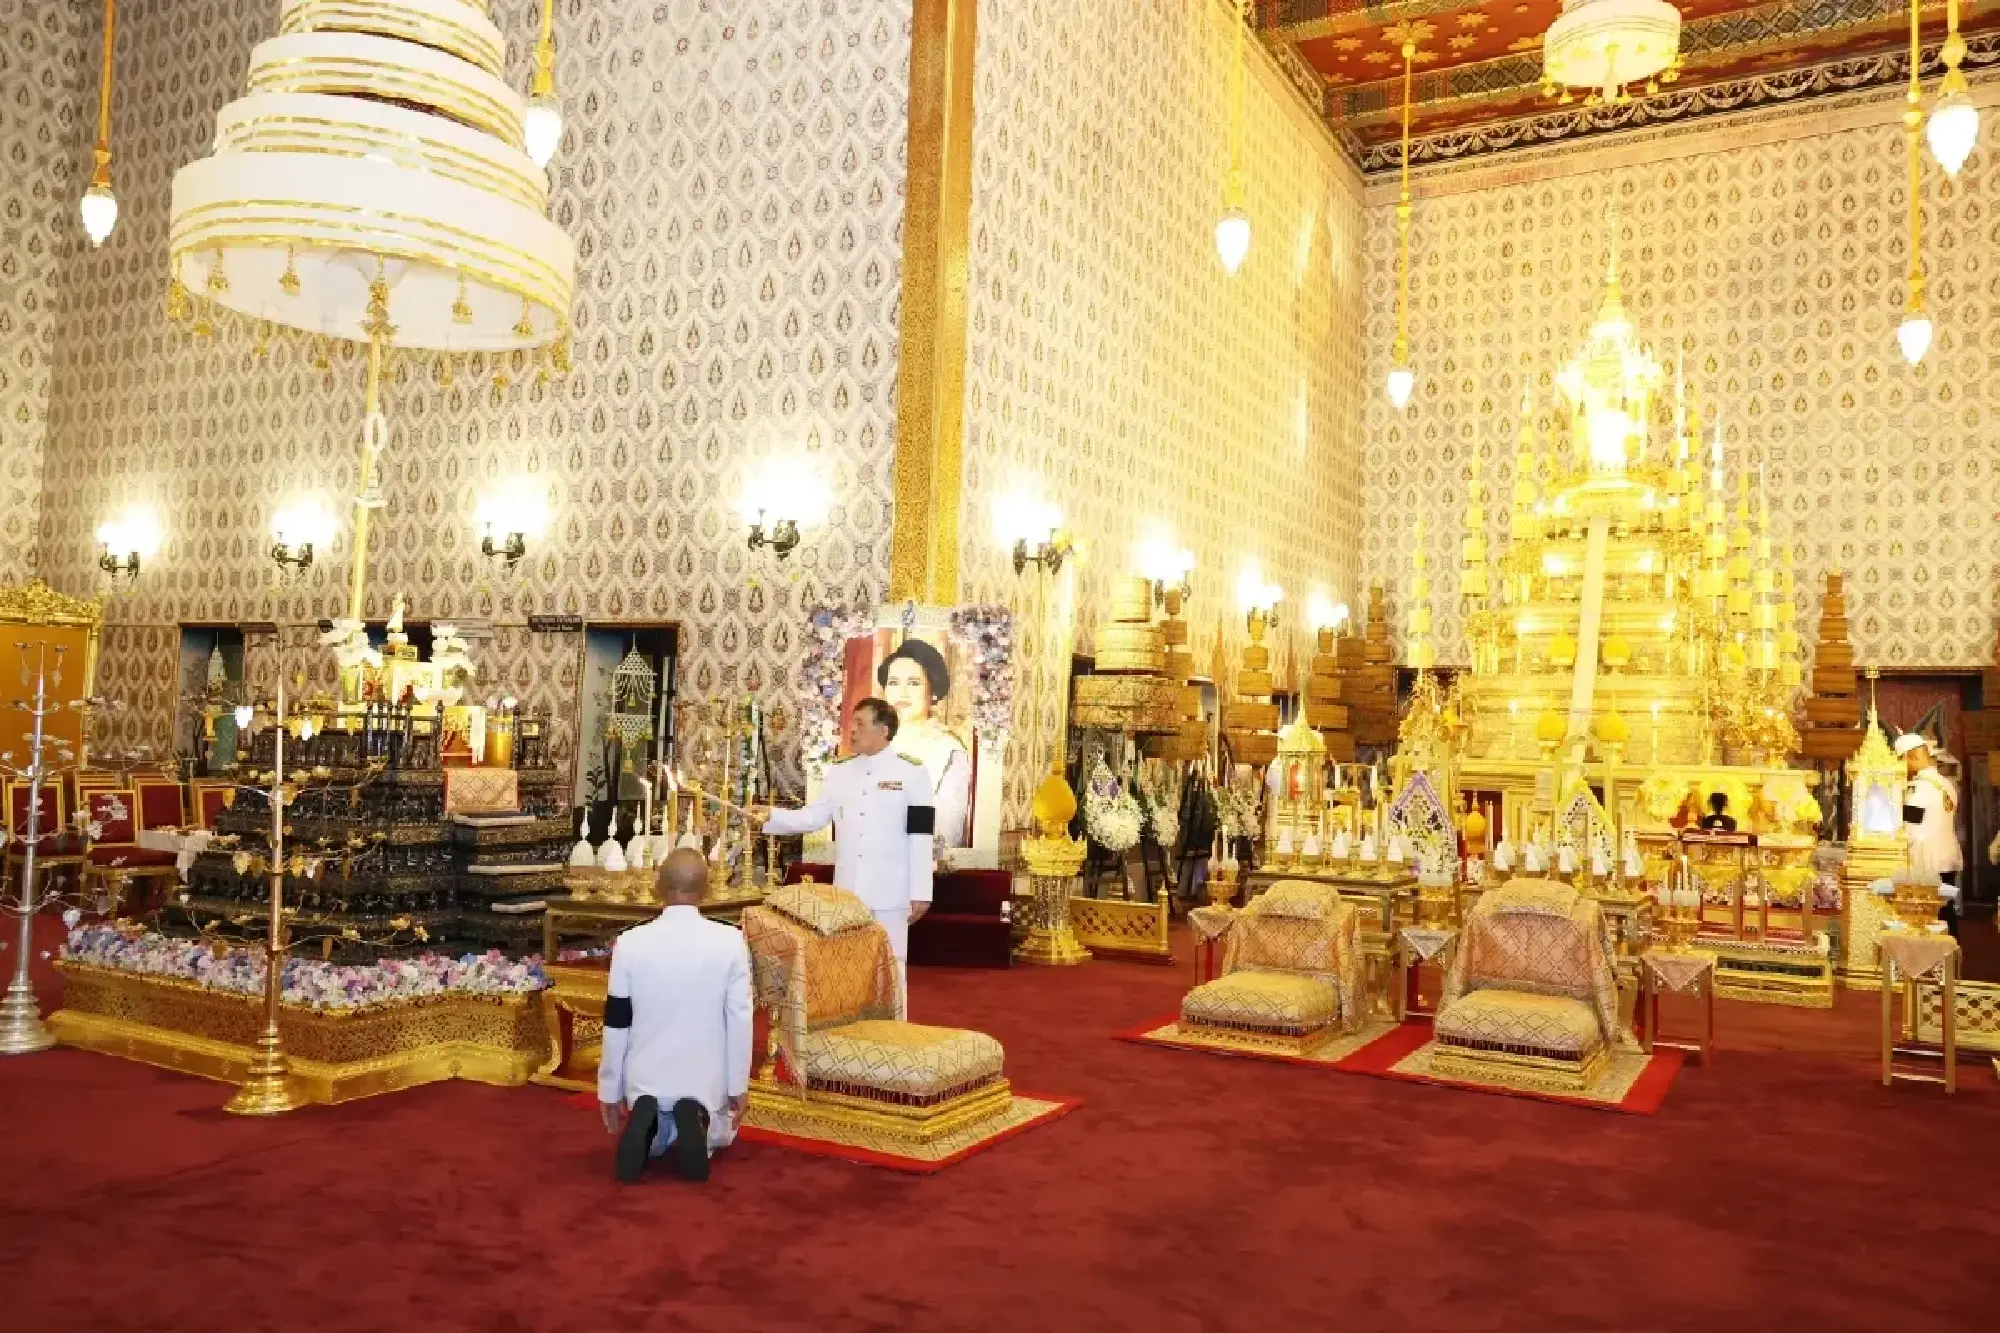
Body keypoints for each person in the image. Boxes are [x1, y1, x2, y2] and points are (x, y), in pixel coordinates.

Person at [755, 697, 934, 1011]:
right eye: (852, 724)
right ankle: (851, 1032)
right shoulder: (840, 772)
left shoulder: (912, 773)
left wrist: (921, 890)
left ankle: (895, 1037)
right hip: (848, 892)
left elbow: (921, 835)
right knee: (848, 965)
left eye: (861, 724)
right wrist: (769, 816)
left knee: (893, 965)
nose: (852, 731)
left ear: (884, 729)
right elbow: (814, 817)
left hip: (892, 892)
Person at [598, 848, 753, 1184]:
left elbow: (616, 1021)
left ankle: (653, 1121)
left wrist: (609, 1090)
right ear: (707, 889)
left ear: (658, 887)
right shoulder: (730, 942)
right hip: (705, 1079)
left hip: (642, 1078)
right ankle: (696, 1116)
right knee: (722, 1134)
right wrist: (737, 1086)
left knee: (654, 1133)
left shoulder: (630, 943)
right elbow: (740, 1019)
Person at [876, 639, 971, 849]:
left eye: (913, 682)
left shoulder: (947, 750)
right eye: (893, 682)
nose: (902, 692)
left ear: (933, 691)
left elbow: (947, 832)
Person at [1896, 732, 1962, 936]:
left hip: (1928, 865)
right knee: (1947, 916)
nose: (1901, 768)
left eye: (1901, 760)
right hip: (1947, 859)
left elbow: (1908, 828)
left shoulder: (1919, 790)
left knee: (1931, 922)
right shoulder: (1947, 785)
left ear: (1913, 757)